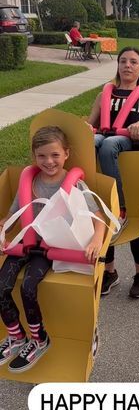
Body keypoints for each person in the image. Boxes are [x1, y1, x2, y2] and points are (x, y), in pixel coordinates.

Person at [0, 126, 105, 372]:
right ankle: (16, 336)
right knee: (1, 285)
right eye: (42, 156)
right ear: (34, 156)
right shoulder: (29, 181)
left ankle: (39, 339)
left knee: (28, 287)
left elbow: (97, 216)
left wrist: (96, 241)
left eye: (55, 155)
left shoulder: (75, 184)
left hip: (52, 246)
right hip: (25, 243)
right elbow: (12, 215)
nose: (49, 161)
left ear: (66, 154)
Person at [86, 47, 139, 298]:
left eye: (133, 62)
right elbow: (91, 125)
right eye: (123, 61)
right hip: (105, 156)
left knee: (135, 227)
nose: (127, 65)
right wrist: (85, 129)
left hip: (132, 156)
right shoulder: (103, 94)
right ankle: (111, 271)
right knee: (95, 142)